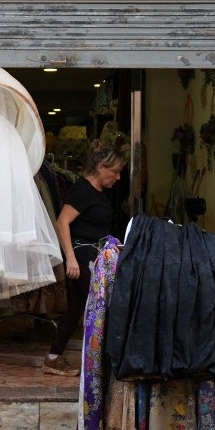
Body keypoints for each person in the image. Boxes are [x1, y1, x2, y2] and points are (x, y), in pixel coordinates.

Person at [43, 140, 125, 376]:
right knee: (104, 306)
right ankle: (104, 365)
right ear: (101, 167)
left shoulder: (100, 192)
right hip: (81, 259)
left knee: (76, 307)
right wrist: (70, 258)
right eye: (115, 171)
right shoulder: (82, 189)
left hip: (93, 258)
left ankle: (53, 357)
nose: (118, 177)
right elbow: (62, 222)